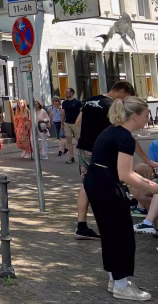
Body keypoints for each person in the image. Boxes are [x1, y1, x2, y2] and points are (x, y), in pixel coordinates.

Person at [83, 96, 158, 300]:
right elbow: (126, 175)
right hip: (106, 185)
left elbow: (133, 145)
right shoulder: (122, 136)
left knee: (110, 234)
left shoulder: (115, 131)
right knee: (121, 235)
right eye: (145, 115)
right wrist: (155, 187)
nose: (147, 119)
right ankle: (122, 286)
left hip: (96, 182)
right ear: (135, 116)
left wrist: (148, 161)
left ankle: (115, 280)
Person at [75, 81, 158, 240]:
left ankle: (81, 224)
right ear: (122, 91)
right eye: (128, 97)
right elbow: (127, 140)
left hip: (85, 147)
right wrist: (147, 160)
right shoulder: (112, 106)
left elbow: (78, 122)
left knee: (86, 184)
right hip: (103, 151)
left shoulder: (91, 100)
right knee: (108, 183)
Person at [62, 88, 83, 164]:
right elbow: (63, 112)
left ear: (72, 93)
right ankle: (71, 157)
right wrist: (62, 122)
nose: (66, 93)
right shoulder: (64, 102)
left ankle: (82, 156)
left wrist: (80, 122)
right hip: (67, 123)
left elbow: (82, 112)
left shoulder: (77, 102)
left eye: (67, 92)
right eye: (65, 92)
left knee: (79, 139)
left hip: (76, 123)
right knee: (68, 139)